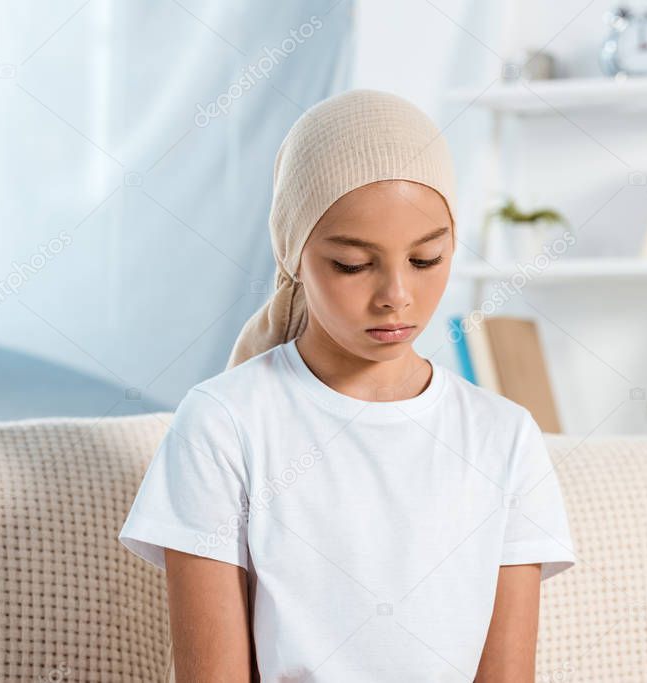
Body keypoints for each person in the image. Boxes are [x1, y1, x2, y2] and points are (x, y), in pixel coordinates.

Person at [118, 88, 576, 682]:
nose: (396, 297)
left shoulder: (505, 438)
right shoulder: (223, 423)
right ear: (294, 256)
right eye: (353, 265)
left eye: (426, 258)